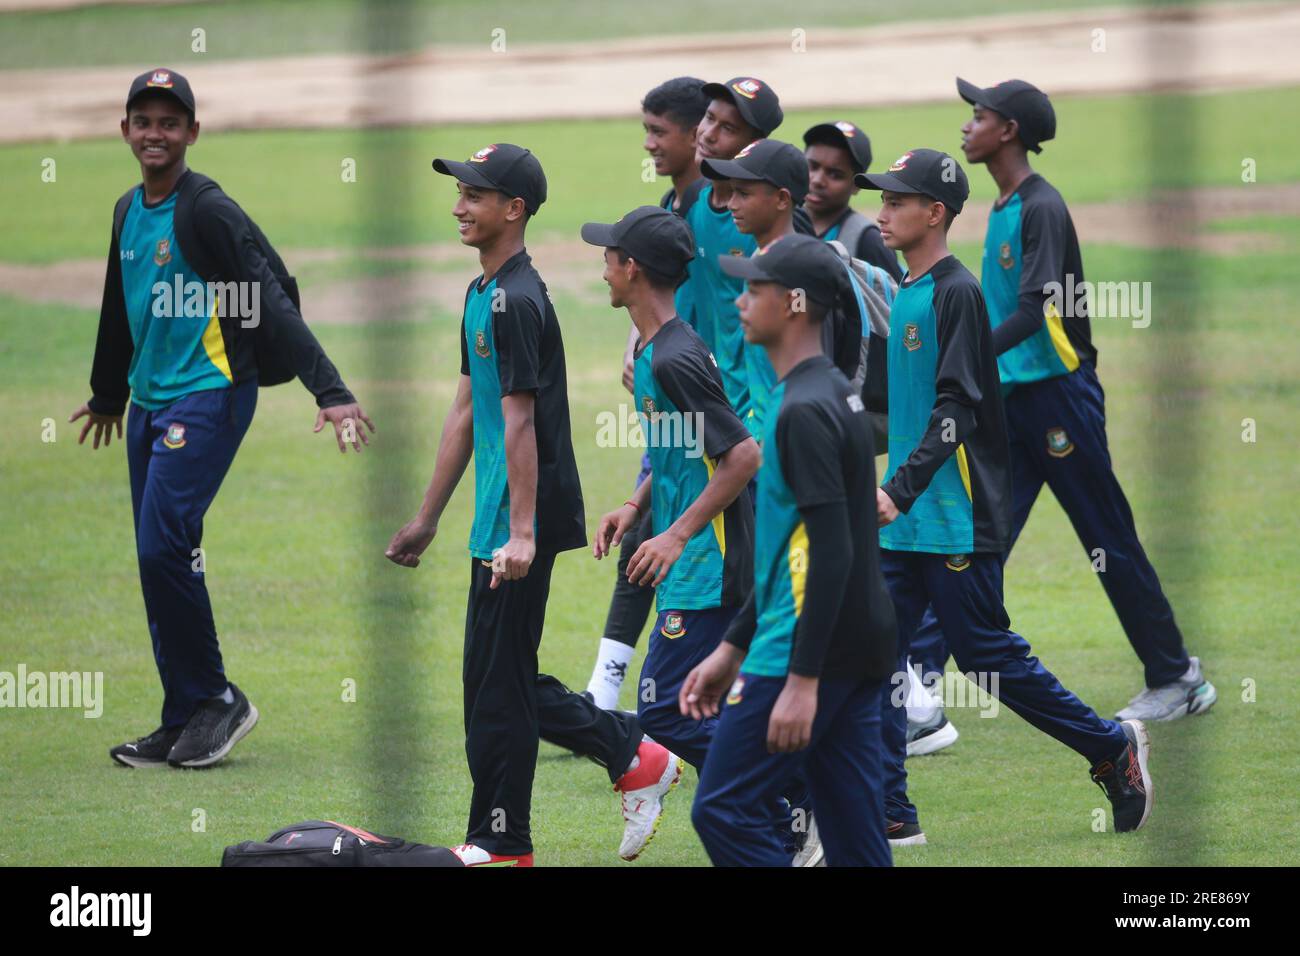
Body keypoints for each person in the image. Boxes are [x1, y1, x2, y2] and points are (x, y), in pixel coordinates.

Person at [385, 146, 679, 866]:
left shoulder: (518, 300)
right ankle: (617, 765)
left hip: (524, 521)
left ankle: (505, 837)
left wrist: (520, 534)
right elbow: (467, 410)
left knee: (495, 685)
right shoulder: (480, 293)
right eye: (458, 192)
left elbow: (520, 419)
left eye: (474, 195)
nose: (459, 205)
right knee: (498, 677)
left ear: (512, 210)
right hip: (497, 518)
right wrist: (427, 517)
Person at [75, 68, 375, 770]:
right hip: (149, 401)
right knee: (159, 557)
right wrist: (106, 397)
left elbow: (267, 299)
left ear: (192, 133)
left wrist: (328, 390)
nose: (155, 133)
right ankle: (182, 714)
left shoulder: (205, 210)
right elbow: (120, 304)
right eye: (143, 121)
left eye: (169, 122)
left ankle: (219, 700)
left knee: (161, 545)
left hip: (210, 393)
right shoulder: (127, 209)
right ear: (125, 131)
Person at [856, 148, 1154, 844]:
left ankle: (1109, 747)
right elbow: (894, 397)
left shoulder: (955, 293)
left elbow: (957, 405)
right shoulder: (905, 289)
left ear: (934, 213)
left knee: (987, 661)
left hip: (953, 516)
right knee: (876, 657)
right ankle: (892, 811)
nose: (882, 211)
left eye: (896, 201)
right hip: (903, 524)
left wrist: (899, 488)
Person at [942, 77, 1215, 722]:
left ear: (1007, 130)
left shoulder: (1041, 205)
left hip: (1059, 397)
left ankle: (1176, 677)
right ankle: (917, 686)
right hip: (1013, 399)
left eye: (977, 116)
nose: (966, 127)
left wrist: (967, 354)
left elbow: (1038, 312)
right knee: (980, 534)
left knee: (1105, 534)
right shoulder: (1007, 206)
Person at [684, 233, 897, 867]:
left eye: (755, 289)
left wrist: (801, 681)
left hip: (809, 648)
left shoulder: (802, 410)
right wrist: (731, 645)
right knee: (856, 836)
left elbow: (829, 550)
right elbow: (790, 549)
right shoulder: (829, 391)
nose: (741, 301)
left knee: (720, 806)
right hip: (858, 642)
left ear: (796, 303)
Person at [583, 76, 710, 711]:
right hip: (691, 547)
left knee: (675, 713)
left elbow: (740, 457)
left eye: (660, 131)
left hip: (708, 561)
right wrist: (637, 506)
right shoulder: (659, 353)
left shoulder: (677, 358)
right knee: (683, 709)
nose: (650, 142)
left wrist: (678, 532)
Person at [700, 137, 810, 439]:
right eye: (731, 191)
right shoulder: (759, 261)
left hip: (785, 442)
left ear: (782, 199)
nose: (731, 203)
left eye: (743, 193)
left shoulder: (802, 268)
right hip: (754, 434)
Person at [802, 120, 903, 281]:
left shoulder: (868, 240)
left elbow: (893, 299)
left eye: (835, 174)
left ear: (856, 185)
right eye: (812, 166)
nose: (817, 180)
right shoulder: (783, 221)